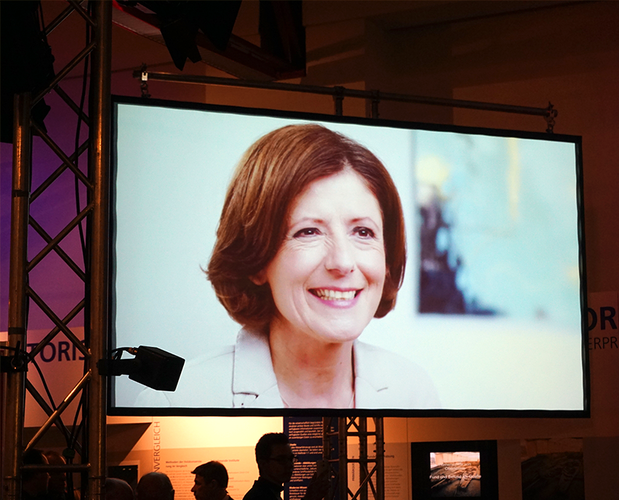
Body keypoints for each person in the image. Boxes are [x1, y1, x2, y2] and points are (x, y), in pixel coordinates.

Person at [137, 123, 439, 409]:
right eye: (308, 231)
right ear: (256, 261)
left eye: (363, 232)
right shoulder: (175, 401)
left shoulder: (413, 392)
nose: (343, 262)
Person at [243, 433, 328, 500]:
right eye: (281, 459)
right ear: (263, 464)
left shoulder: (269, 493)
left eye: (291, 459)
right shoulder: (257, 497)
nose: (289, 465)